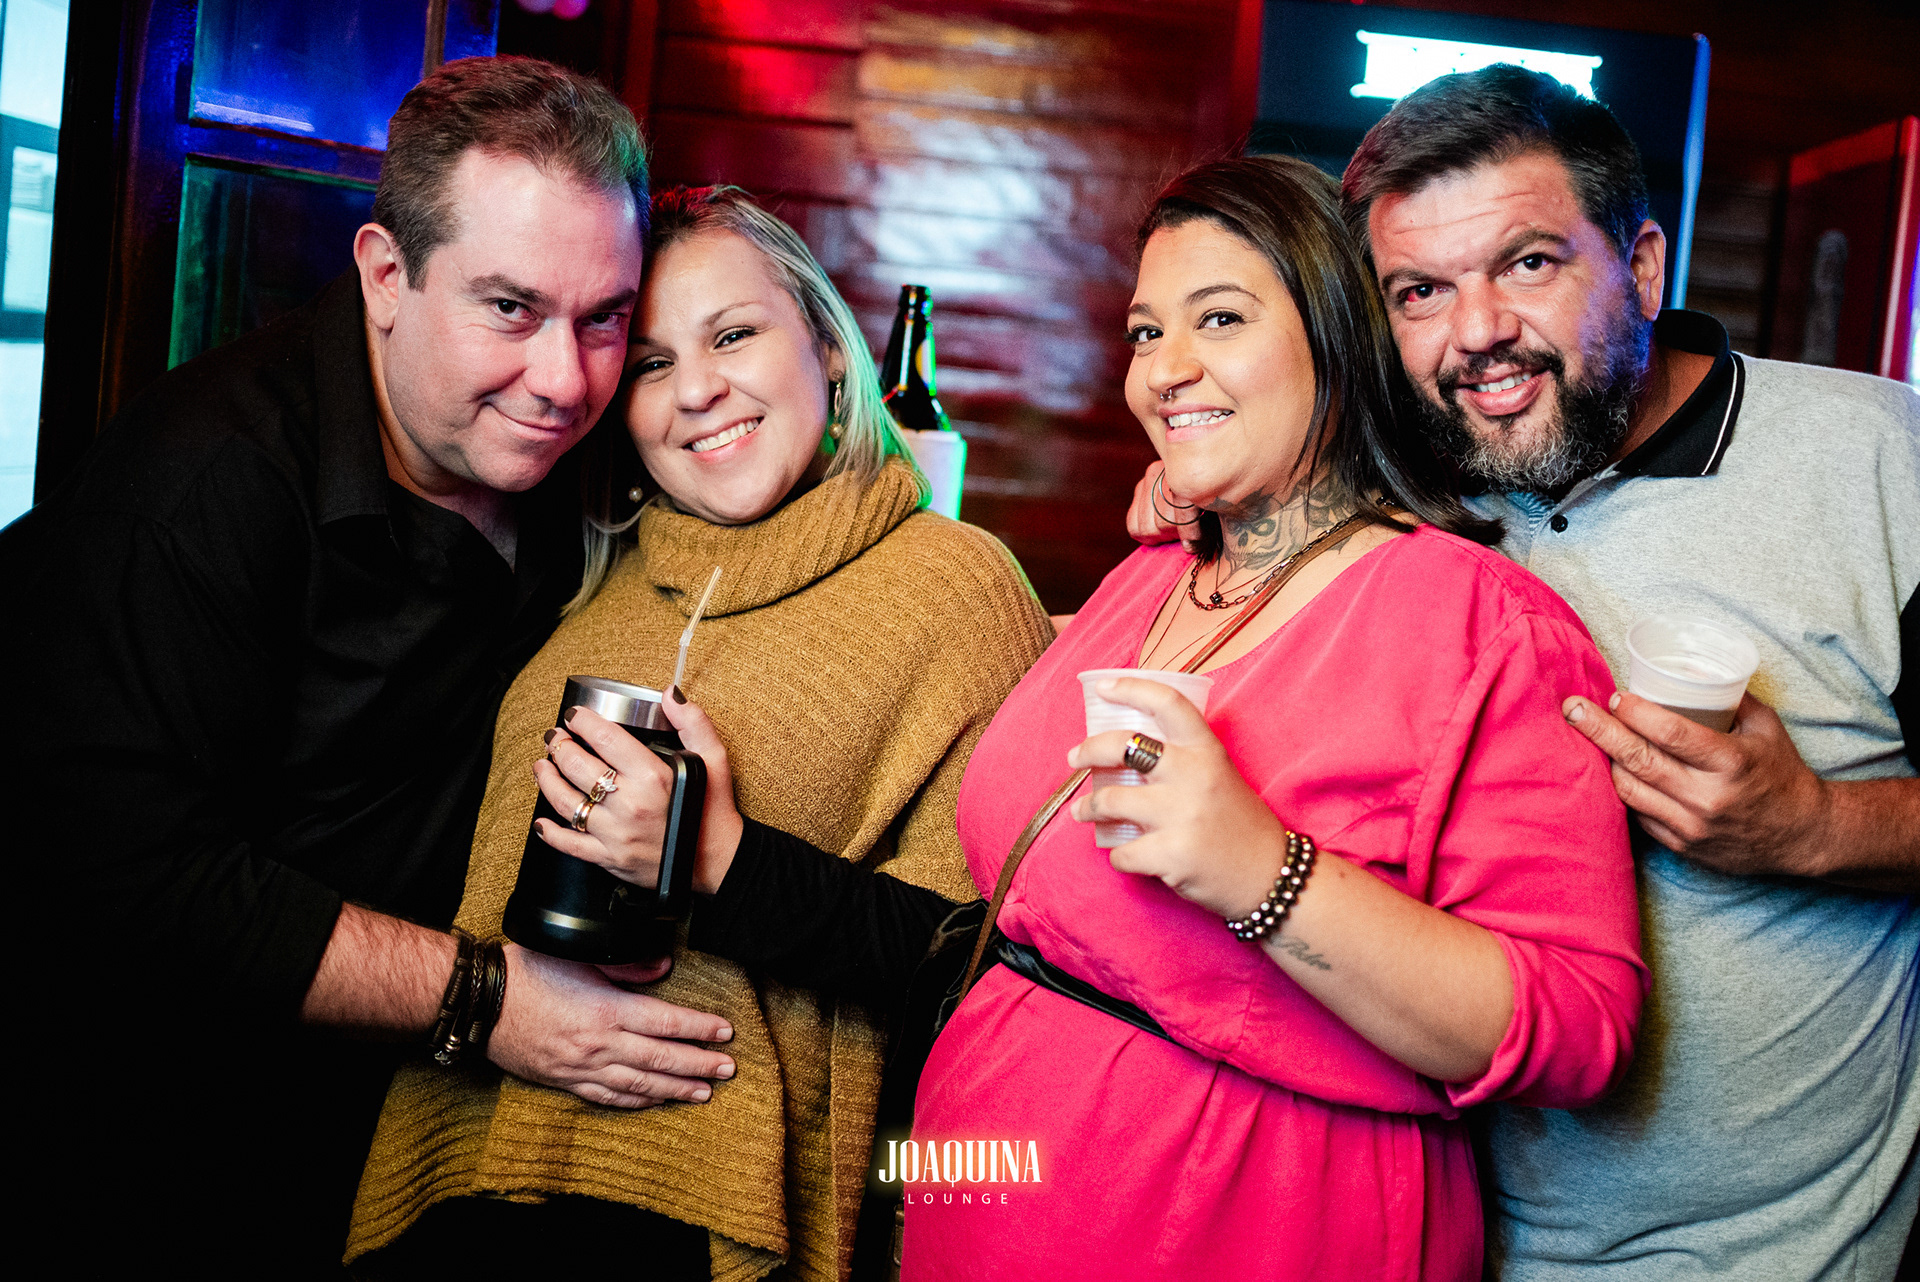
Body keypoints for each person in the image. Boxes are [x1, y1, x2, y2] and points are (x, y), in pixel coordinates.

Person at [1133, 65, 1919, 1281]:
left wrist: (1817, 826)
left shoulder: (1878, 462)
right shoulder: (1389, 485)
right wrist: (1208, 492)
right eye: (1421, 291)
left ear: (1642, 267)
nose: (1479, 330)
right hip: (1411, 1225)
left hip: (1764, 1251)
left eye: (1530, 263)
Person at [3, 59, 736, 1277]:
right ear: (386, 275)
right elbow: (130, 878)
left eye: (605, 317)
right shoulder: (202, 491)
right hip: (157, 1142)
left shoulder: (577, 453)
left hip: (400, 1155)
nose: (567, 380)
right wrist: (493, 1003)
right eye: (511, 309)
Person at [899, 155, 1645, 1280]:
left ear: (1335, 338)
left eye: (1220, 318)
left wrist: (1264, 870)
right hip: (985, 1178)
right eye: (1147, 333)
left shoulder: (1481, 622)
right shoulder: (1157, 569)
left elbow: (1582, 1030)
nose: (1166, 370)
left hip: (1252, 1220)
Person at [345, 186, 1054, 1281]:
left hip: (700, 1208)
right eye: (652, 363)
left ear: (828, 346)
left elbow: (989, 963)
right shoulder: (590, 569)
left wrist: (717, 860)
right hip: (471, 1159)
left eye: (733, 335)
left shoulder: (955, 589)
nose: (697, 390)